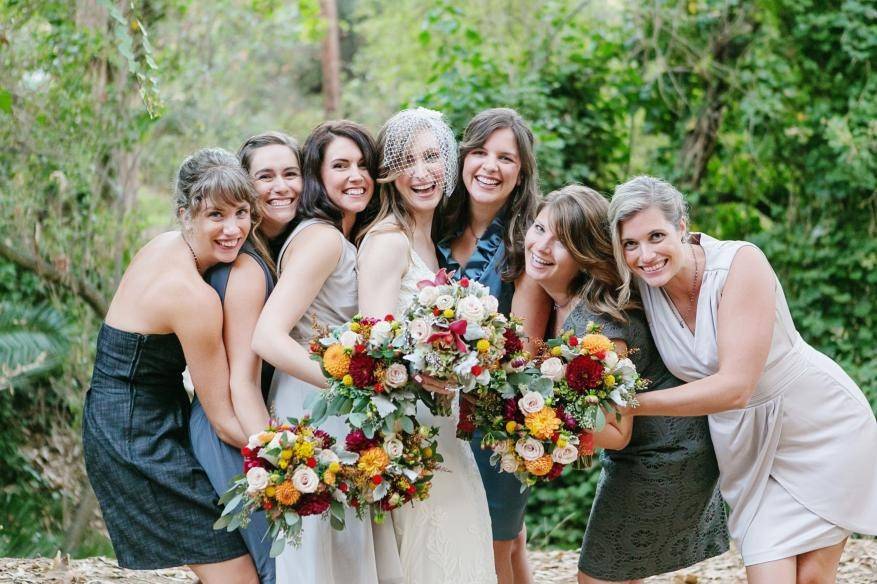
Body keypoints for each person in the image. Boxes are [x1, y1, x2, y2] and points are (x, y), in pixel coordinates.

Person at [609, 175, 877, 584]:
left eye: (656, 235)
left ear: (682, 226)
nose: (645, 255)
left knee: (812, 580)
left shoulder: (740, 263)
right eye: (631, 243)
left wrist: (629, 403)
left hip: (820, 429)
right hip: (747, 447)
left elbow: (736, 388)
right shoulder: (641, 287)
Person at [525, 185, 729, 584]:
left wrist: (538, 422)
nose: (542, 246)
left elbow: (616, 431)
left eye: (562, 241)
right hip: (640, 455)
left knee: (598, 578)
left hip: (666, 454)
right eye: (538, 228)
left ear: (585, 254)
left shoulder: (594, 320)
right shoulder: (552, 299)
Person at [82, 148, 260, 583]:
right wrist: (290, 453)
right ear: (185, 214)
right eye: (215, 215)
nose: (233, 228)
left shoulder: (163, 245)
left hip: (122, 414)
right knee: (235, 573)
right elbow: (223, 421)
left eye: (241, 212)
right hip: (134, 437)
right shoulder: (192, 298)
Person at [357, 107, 497, 584]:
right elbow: (371, 350)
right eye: (406, 161)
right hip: (410, 432)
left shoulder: (429, 241)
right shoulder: (387, 241)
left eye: (433, 157)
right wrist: (423, 372)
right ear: (389, 174)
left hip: (442, 424)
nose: (421, 173)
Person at [252, 121, 395, 584]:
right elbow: (268, 337)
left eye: (363, 165)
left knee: (340, 552)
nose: (356, 176)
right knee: (320, 555)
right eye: (340, 165)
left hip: (329, 405)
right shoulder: (322, 238)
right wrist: (349, 383)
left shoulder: (339, 235)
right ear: (316, 174)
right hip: (314, 405)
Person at [435, 108, 549, 584]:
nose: (489, 166)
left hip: (497, 417)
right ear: (462, 158)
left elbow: (524, 346)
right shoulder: (434, 222)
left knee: (496, 543)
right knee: (490, 544)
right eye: (479, 152)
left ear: (521, 172)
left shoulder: (529, 238)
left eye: (506, 158)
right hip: (435, 418)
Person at [188, 132, 302, 584]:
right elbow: (241, 381)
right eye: (265, 176)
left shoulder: (266, 250)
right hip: (232, 425)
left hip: (245, 421)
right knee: (273, 565)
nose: (280, 187)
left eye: (290, 174)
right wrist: (277, 459)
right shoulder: (246, 267)